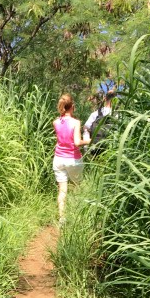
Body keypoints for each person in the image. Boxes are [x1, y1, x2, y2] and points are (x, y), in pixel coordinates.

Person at [53, 93, 90, 226]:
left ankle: (62, 219)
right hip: (73, 160)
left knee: (62, 190)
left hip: (58, 159)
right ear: (72, 107)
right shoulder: (76, 122)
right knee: (77, 187)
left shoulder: (56, 122)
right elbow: (76, 142)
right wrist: (88, 140)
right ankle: (76, 214)